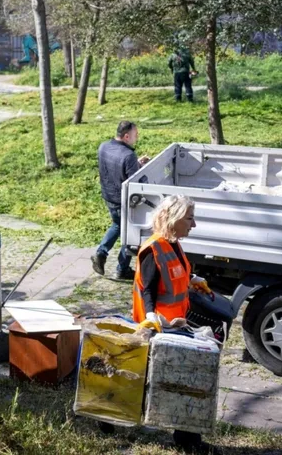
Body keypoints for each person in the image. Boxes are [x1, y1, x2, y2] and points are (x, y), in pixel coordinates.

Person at [132, 194, 213, 449]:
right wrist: (150, 318)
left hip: (176, 324)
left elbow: (176, 272)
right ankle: (189, 441)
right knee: (183, 379)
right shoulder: (152, 249)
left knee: (159, 379)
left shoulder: (174, 243)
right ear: (172, 218)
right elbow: (147, 290)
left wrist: (193, 279)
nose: (194, 224)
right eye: (189, 218)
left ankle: (116, 415)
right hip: (160, 328)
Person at [91, 121, 149, 279]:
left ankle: (101, 253)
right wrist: (141, 168)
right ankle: (121, 269)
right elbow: (134, 181)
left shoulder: (103, 146)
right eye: (135, 135)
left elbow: (116, 168)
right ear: (126, 136)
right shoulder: (128, 155)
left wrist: (136, 164)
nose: (137, 138)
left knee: (118, 225)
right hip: (122, 200)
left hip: (109, 196)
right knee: (131, 232)